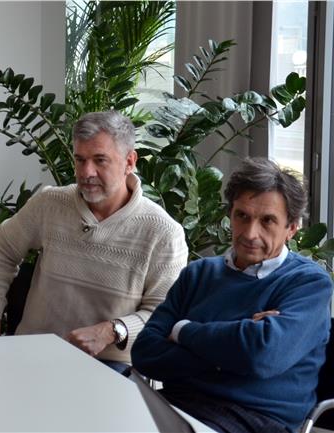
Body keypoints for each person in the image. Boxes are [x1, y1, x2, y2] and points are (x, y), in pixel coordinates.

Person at [0, 111, 188, 372]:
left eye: (100, 160)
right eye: (80, 159)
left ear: (129, 162)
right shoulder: (50, 203)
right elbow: (2, 248)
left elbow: (164, 316)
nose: (87, 172)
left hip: (112, 365)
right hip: (33, 352)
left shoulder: (164, 232)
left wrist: (113, 331)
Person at [131, 158, 332, 433]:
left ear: (292, 228)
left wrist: (182, 331)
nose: (250, 233)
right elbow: (145, 353)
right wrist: (236, 346)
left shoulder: (308, 284)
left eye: (267, 221)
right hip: (178, 404)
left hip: (255, 419)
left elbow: (260, 355)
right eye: (242, 216)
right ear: (230, 215)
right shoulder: (199, 274)